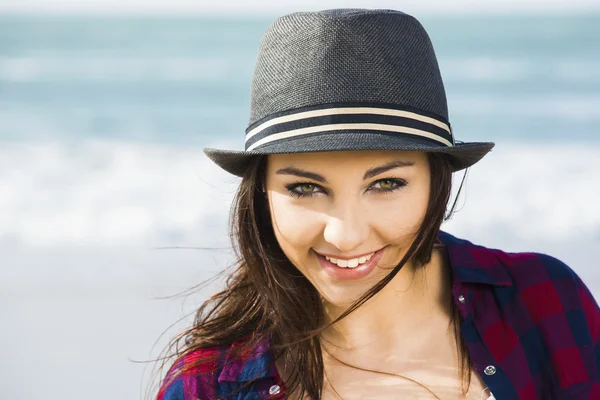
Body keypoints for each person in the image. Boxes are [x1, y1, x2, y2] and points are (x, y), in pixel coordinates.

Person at [154, 8, 600, 400]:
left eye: (386, 184)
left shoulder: (543, 301)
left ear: (435, 181)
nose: (346, 235)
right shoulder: (209, 387)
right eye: (305, 188)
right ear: (261, 193)